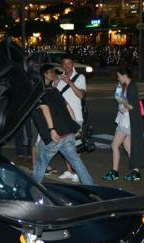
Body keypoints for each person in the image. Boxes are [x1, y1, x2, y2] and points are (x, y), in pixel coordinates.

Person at [32, 64, 93, 185]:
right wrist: (75, 126)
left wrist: (52, 129)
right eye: (52, 72)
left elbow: (45, 109)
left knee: (41, 163)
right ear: (45, 74)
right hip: (67, 132)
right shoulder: (54, 90)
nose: (54, 74)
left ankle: (33, 189)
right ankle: (91, 186)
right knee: (76, 162)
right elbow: (68, 107)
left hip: (55, 135)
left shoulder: (39, 93)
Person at [102, 67, 144, 181]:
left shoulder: (131, 87)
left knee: (114, 146)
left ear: (124, 75)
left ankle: (114, 172)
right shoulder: (129, 85)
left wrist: (123, 102)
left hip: (126, 122)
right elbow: (121, 99)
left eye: (118, 76)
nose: (118, 78)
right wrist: (119, 93)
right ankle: (136, 172)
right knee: (127, 147)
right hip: (126, 121)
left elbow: (131, 107)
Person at [56, 53, 87, 183]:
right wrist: (56, 82)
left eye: (69, 63)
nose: (66, 66)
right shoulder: (58, 78)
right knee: (65, 146)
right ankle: (69, 171)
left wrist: (69, 82)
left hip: (76, 117)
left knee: (76, 146)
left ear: (73, 64)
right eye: (64, 63)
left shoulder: (80, 77)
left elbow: (81, 95)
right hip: (62, 117)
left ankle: (78, 172)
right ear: (61, 65)